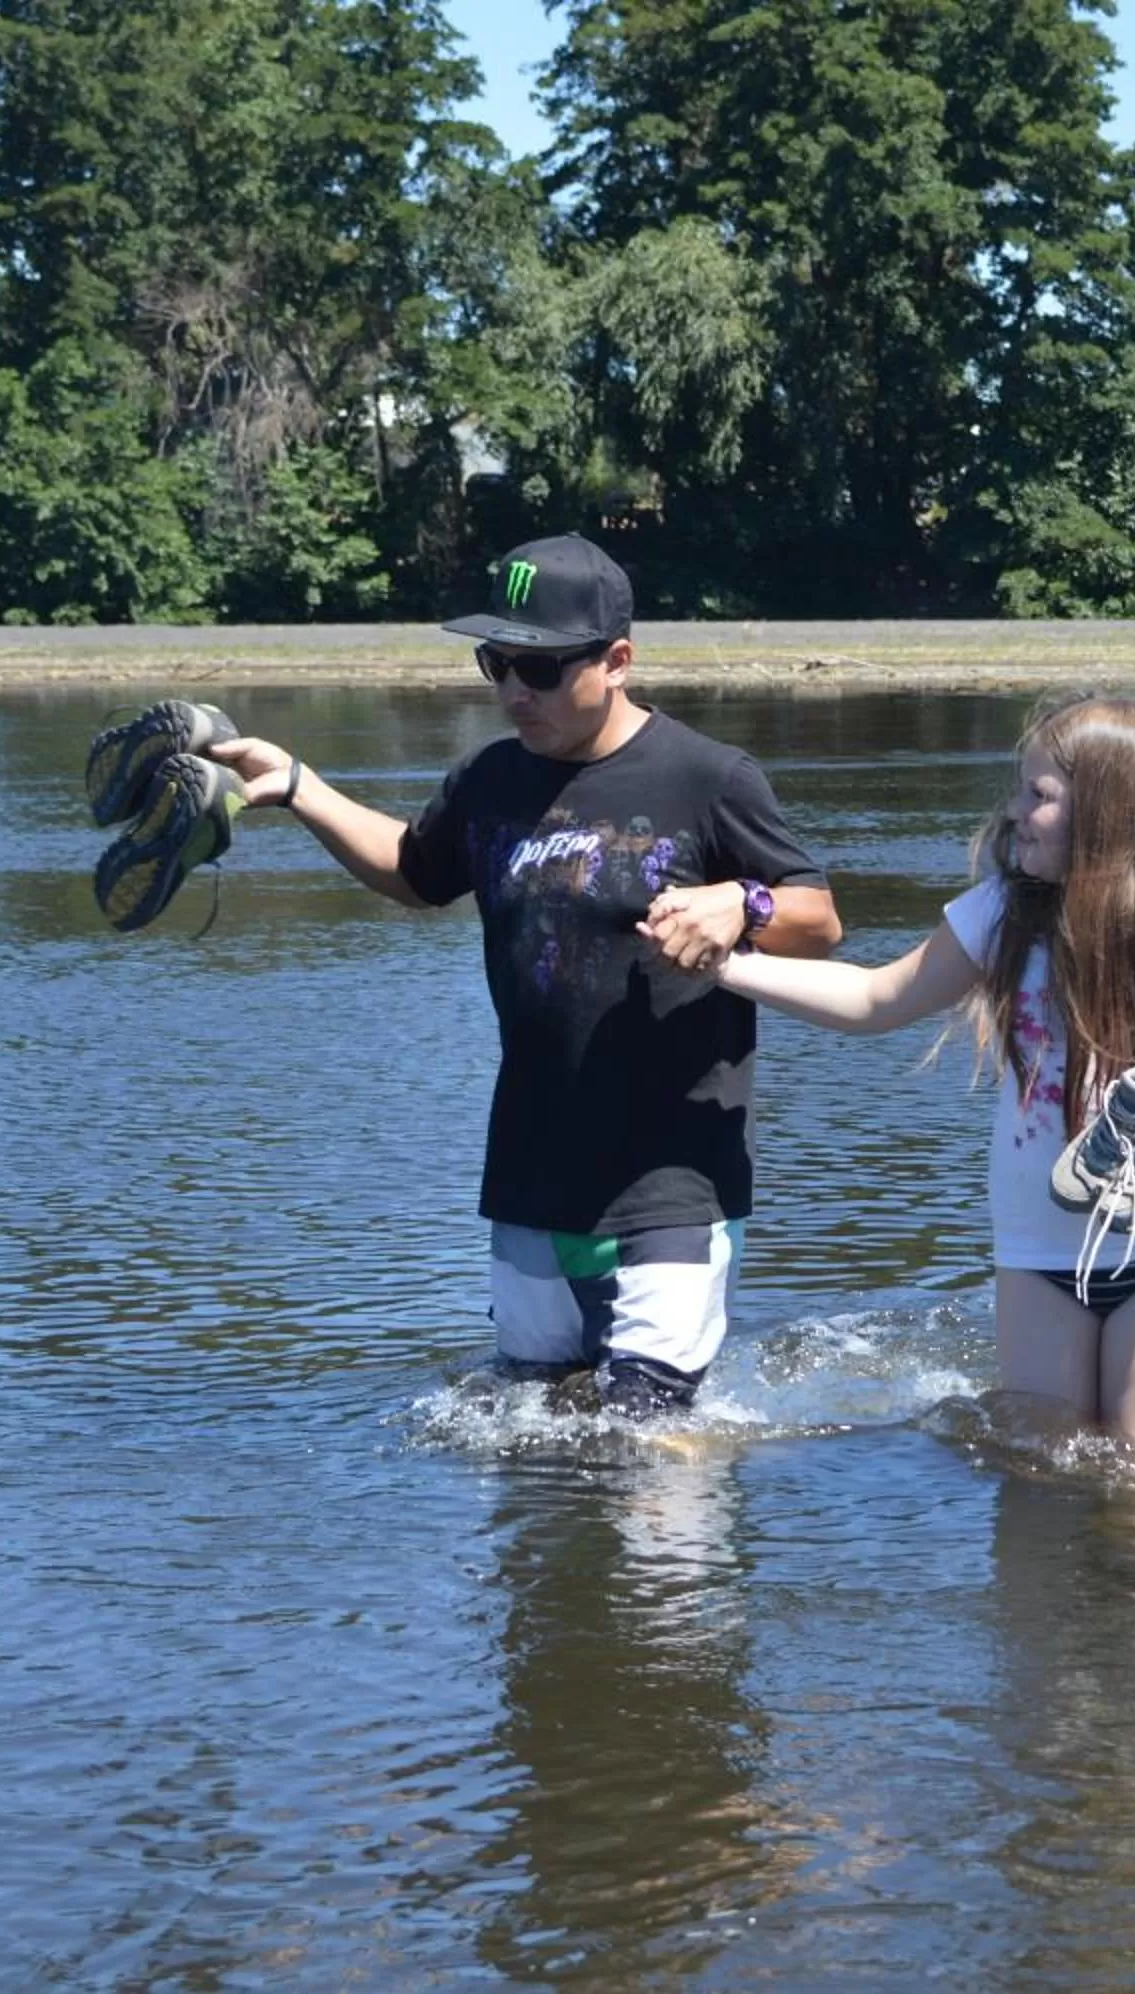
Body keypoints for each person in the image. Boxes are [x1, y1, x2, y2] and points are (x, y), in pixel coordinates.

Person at [199, 532, 842, 1413]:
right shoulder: (490, 777)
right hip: (533, 1166)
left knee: (652, 1435)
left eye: (539, 669)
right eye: (494, 662)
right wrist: (300, 785)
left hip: (673, 1173)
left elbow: (820, 918)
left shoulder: (707, 778)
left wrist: (744, 903)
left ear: (617, 660)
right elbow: (415, 871)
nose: (511, 691)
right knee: (534, 1430)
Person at [688, 692, 1135, 1475]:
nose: (1013, 814)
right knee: (1045, 1481)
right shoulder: (1003, 913)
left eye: (1038, 796)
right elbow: (872, 1001)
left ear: (1107, 811)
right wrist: (726, 966)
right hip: (1040, 1256)